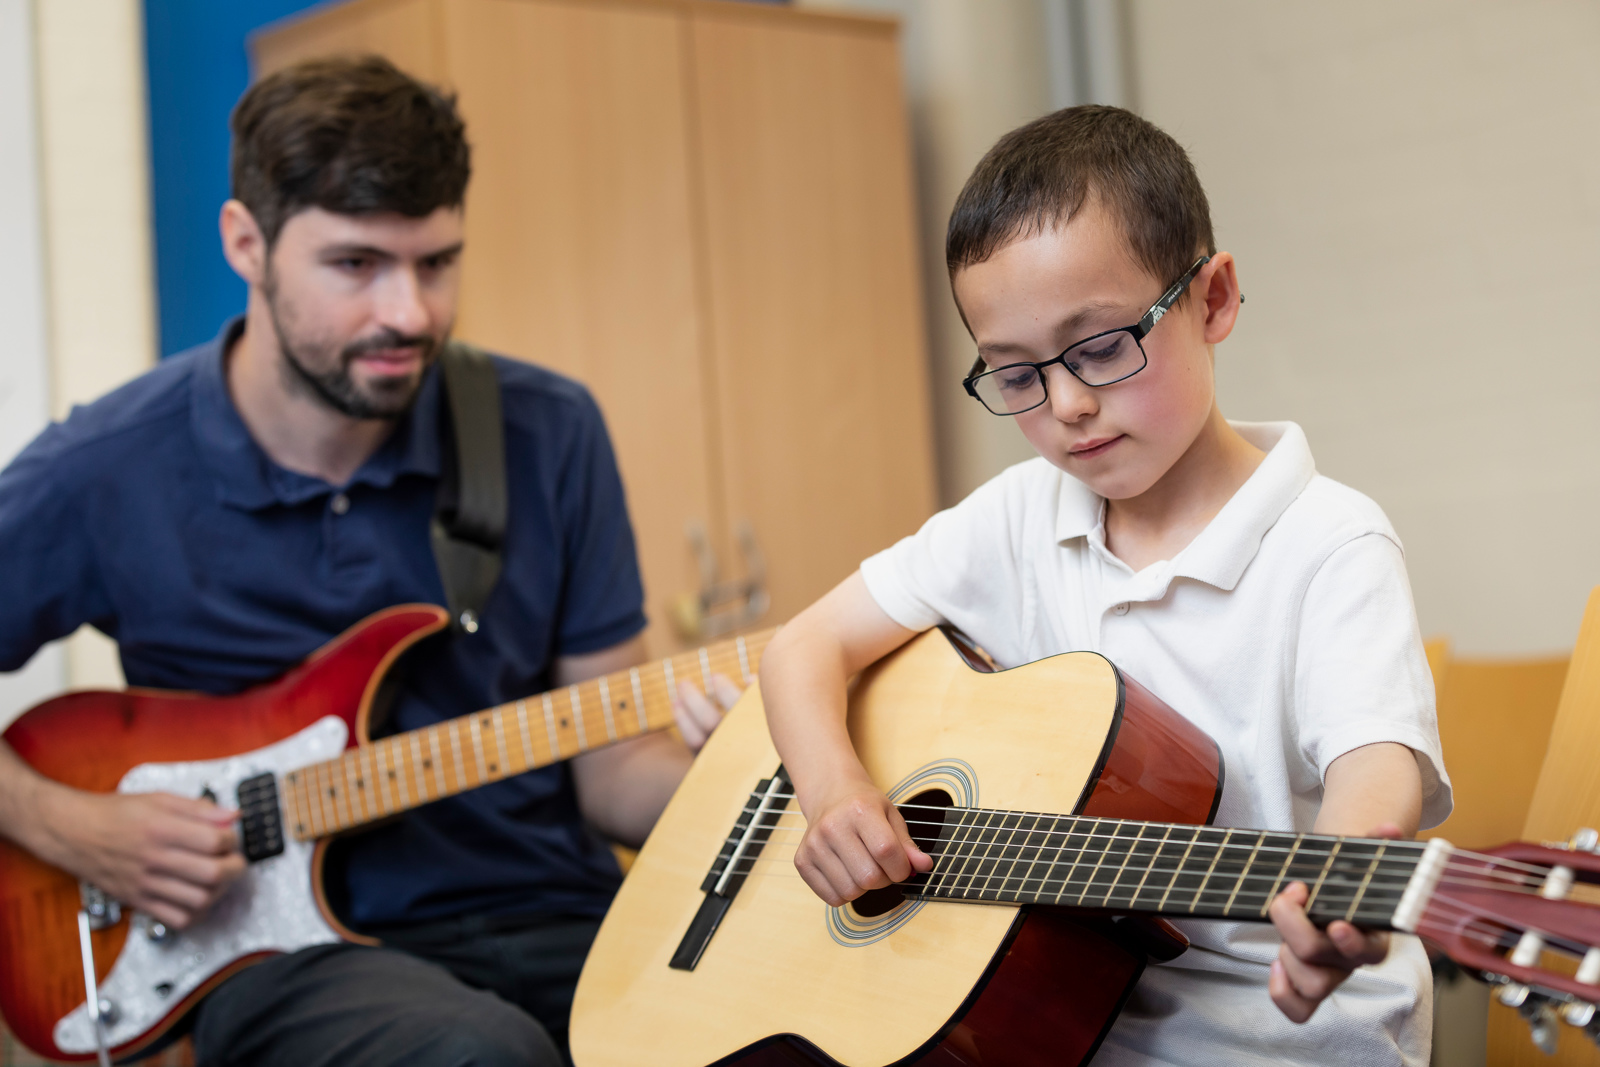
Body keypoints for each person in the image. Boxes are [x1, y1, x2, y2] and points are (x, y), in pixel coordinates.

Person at [0, 55, 739, 1067]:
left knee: (782, 1026)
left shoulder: (546, 429)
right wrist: (70, 825)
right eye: (356, 265)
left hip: (547, 905)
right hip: (274, 953)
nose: (411, 313)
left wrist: (733, 771)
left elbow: (611, 763)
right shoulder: (104, 467)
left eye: (436, 262)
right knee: (479, 1055)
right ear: (245, 243)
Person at [759, 106, 1451, 1065]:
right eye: (1015, 375)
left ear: (1213, 300)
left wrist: (1337, 900)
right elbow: (802, 647)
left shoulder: (1331, 544)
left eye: (1100, 348)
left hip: (1277, 1040)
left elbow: (1375, 771)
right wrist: (835, 791)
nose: (1069, 406)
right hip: (1058, 1021)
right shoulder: (1017, 516)